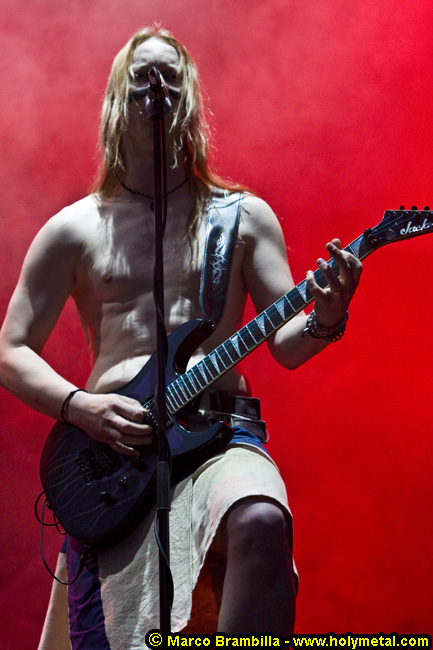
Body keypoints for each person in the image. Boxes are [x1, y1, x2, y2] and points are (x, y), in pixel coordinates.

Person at [0, 27, 362, 648]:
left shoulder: (243, 217)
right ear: (116, 100)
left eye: (170, 77)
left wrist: (327, 316)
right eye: (141, 77)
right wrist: (79, 407)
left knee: (260, 517)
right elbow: (10, 350)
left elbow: (287, 343)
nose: (156, 88)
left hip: (219, 434)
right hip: (117, 456)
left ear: (190, 96)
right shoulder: (73, 229)